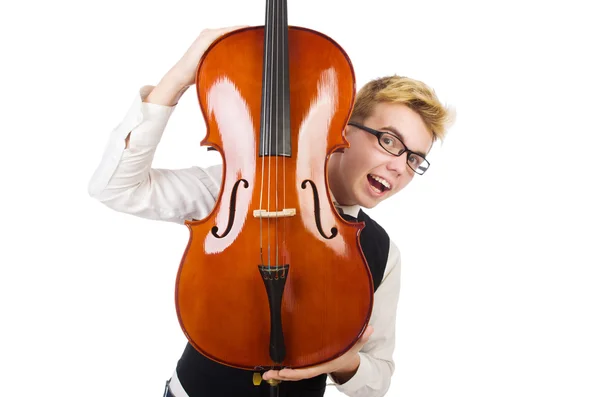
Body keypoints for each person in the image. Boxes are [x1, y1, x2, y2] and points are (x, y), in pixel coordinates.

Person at [88, 26, 454, 397]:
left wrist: (342, 362)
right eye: (389, 141)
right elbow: (116, 188)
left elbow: (378, 379)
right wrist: (183, 73)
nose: (399, 166)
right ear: (343, 125)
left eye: (414, 159)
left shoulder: (381, 252)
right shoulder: (239, 190)